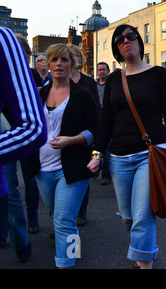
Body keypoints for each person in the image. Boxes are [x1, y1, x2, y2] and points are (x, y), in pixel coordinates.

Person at [87, 24, 166, 269]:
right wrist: (97, 154)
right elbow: (107, 121)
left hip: (150, 153)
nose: (126, 41)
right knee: (128, 218)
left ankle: (144, 262)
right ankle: (145, 250)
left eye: (130, 36)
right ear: (117, 49)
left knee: (143, 216)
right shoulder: (114, 79)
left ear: (139, 42)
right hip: (119, 158)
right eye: (120, 40)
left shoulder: (159, 75)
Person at [22, 43, 98, 268]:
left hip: (73, 167)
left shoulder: (82, 95)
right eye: (54, 60)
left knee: (64, 220)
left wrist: (71, 140)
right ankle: (74, 250)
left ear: (72, 64)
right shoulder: (38, 95)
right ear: (48, 63)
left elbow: (95, 130)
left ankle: (66, 263)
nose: (58, 64)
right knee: (59, 217)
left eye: (64, 60)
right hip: (42, 169)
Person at [0, 27, 47, 259]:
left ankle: (22, 238)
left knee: (15, 186)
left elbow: (32, 125)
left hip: (11, 135)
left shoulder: (4, 42)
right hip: (9, 135)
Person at [68, 44, 100, 226]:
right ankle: (64, 217)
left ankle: (82, 210)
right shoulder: (58, 80)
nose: (74, 59)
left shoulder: (88, 83)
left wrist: (96, 135)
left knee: (83, 173)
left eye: (77, 55)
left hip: (84, 135)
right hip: (63, 136)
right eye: (70, 55)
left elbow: (96, 108)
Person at [96, 62, 112, 185]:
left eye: (103, 69)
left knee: (107, 151)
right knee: (96, 148)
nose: (101, 72)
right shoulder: (94, 85)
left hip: (109, 119)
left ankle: (106, 175)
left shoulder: (112, 85)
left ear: (108, 71)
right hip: (96, 119)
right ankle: (97, 166)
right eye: (99, 70)